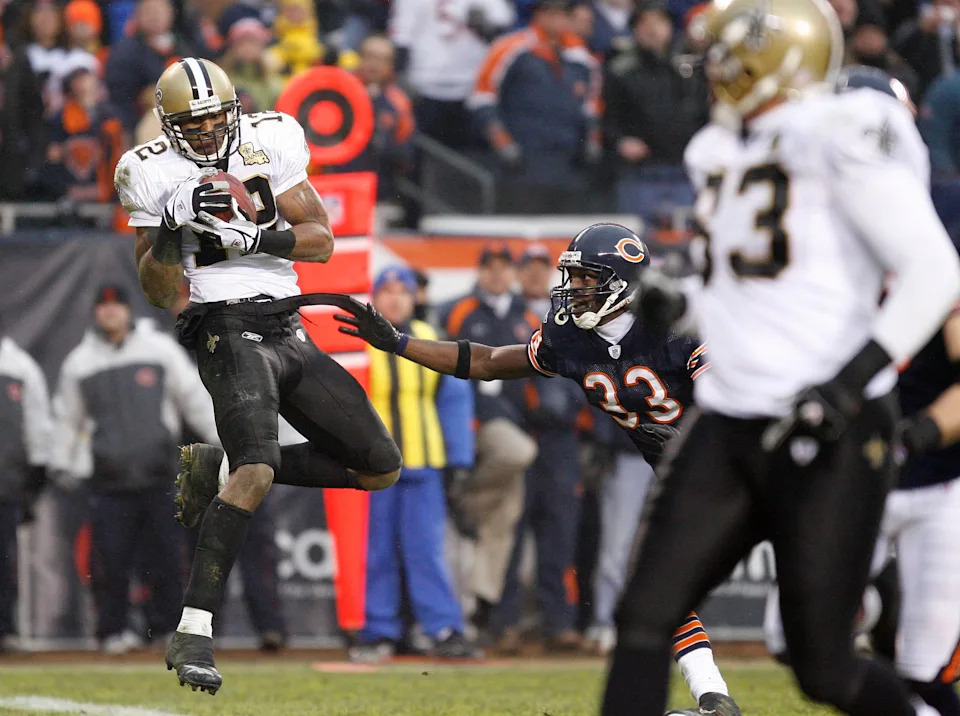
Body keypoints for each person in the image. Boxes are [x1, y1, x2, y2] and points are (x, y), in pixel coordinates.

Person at [599, 0, 960, 711]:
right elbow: (750, 281)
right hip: (730, 417)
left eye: (729, 57)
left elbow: (934, 272)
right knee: (643, 619)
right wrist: (686, 305)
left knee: (823, 670)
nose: (714, 72)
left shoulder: (844, 126)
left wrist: (850, 384)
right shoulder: (721, 148)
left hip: (826, 426)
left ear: (778, 61)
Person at [323, 223, 741, 716]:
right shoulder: (570, 336)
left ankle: (729, 695)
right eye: (574, 277)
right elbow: (489, 361)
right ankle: (715, 700)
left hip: (728, 461)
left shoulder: (673, 326)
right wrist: (398, 342)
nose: (574, 289)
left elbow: (732, 401)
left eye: (588, 278)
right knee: (652, 579)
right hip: (675, 467)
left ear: (625, 283)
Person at [113, 58, 402, 693]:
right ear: (169, 124)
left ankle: (215, 467)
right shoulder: (149, 169)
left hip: (289, 321)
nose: (210, 132)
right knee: (258, 469)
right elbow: (161, 293)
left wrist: (257, 238)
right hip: (221, 322)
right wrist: (172, 223)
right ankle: (192, 632)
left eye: (216, 118)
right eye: (194, 123)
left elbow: (321, 240)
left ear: (235, 109)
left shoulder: (270, 137)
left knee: (380, 465)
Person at [49, 284, 219, 654]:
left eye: (116, 306)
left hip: (160, 475)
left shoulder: (158, 350)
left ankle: (166, 629)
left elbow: (192, 397)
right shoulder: (81, 362)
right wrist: (61, 462)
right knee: (111, 562)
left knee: (165, 558)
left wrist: (222, 438)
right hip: (109, 481)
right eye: (103, 306)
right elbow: (67, 419)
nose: (110, 312)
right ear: (95, 313)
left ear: (127, 311)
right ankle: (112, 631)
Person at [349, 266, 480, 663]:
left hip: (424, 463)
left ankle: (442, 628)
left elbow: (455, 401)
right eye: (385, 290)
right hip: (371, 469)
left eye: (401, 291)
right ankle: (377, 631)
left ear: (414, 297)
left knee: (426, 552)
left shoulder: (430, 340)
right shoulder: (357, 344)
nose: (394, 298)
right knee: (376, 552)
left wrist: (459, 462)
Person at [437, 244, 538, 635]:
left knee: (507, 515)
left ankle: (481, 599)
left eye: (503, 268)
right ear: (479, 272)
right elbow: (441, 361)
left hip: (510, 420)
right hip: (471, 419)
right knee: (519, 453)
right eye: (489, 268)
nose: (497, 275)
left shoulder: (526, 315)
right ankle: (467, 503)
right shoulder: (458, 311)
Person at [0, 328, 51, 652]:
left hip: (4, 482)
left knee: (5, 562)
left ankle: (5, 629)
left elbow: (38, 424)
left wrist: (35, 476)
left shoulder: (18, 365)